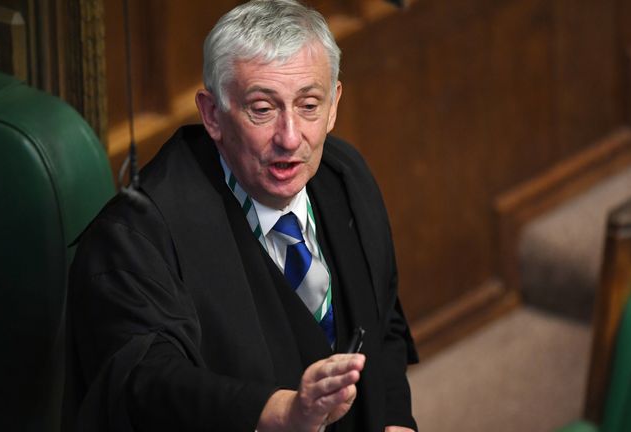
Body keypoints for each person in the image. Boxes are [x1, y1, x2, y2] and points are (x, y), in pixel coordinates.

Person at [64, 1, 418, 431]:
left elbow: (382, 324)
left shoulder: (343, 176)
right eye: (263, 109)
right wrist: (281, 414)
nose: (290, 138)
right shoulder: (135, 238)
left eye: (309, 105)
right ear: (213, 114)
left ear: (334, 104)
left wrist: (396, 419)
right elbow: (148, 386)